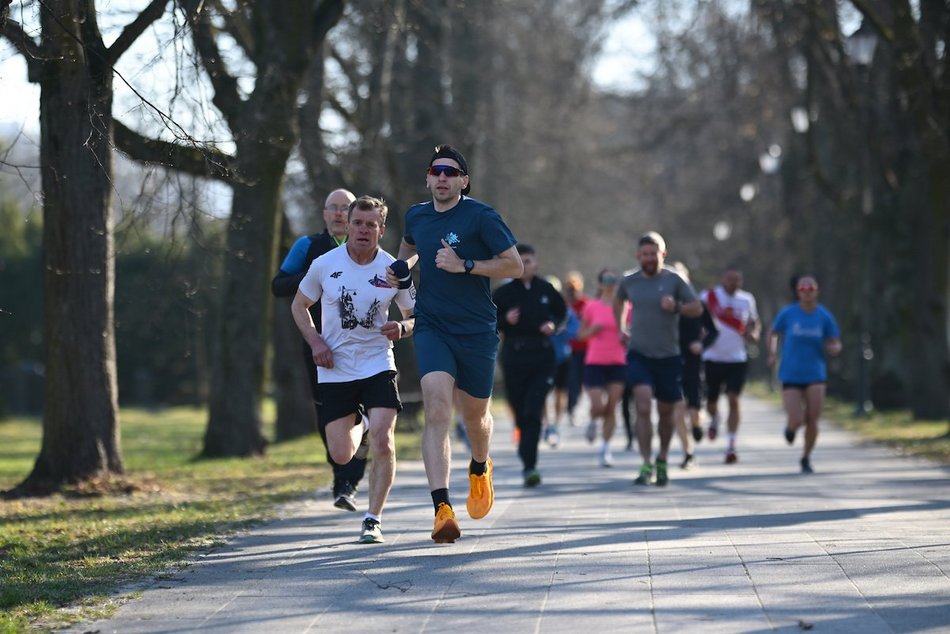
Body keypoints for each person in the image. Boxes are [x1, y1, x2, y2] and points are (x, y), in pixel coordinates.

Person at [388, 144, 523, 543]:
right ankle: (441, 508)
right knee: (436, 405)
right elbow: (410, 247)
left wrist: (466, 265)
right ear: (428, 178)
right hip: (432, 325)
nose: (442, 178)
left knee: (475, 419)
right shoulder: (417, 215)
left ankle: (480, 467)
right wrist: (403, 269)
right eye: (436, 171)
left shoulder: (481, 216)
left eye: (451, 172)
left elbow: (513, 265)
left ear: (464, 180)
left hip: (477, 329)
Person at [290, 196, 416, 544]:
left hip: (378, 362)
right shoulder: (324, 264)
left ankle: (373, 518)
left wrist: (403, 329)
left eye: (370, 224)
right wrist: (316, 342)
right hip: (336, 367)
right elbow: (299, 305)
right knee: (340, 454)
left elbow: (414, 315)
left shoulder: (394, 269)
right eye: (357, 223)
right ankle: (358, 421)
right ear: (347, 224)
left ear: (381, 229)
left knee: (384, 441)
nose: (363, 230)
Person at [272, 188, 368, 512]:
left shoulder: (366, 246)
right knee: (326, 413)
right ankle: (340, 475)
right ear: (324, 213)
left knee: (359, 410)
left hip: (361, 344)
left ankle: (348, 481)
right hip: (319, 344)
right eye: (334, 208)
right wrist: (316, 274)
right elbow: (278, 285)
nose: (340, 214)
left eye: (346, 208)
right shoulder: (308, 247)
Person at [616, 232, 702, 486]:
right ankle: (645, 463)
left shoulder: (675, 279)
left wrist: (676, 307)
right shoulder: (629, 281)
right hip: (639, 353)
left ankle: (662, 459)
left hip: (668, 356)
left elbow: (696, 307)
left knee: (666, 413)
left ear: (663, 254)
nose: (649, 258)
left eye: (654, 254)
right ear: (638, 256)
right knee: (643, 406)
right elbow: (618, 302)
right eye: (645, 254)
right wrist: (620, 326)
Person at [493, 245, 567, 486]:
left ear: (536, 263)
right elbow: (489, 320)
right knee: (521, 412)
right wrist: (506, 320)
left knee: (533, 410)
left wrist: (553, 325)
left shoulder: (546, 289)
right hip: (514, 356)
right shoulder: (504, 293)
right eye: (520, 261)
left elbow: (562, 313)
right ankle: (527, 456)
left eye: (529, 261)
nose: (525, 265)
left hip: (542, 356)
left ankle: (529, 466)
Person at [767, 274, 842, 474]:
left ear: (817, 291)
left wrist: (835, 347)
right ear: (797, 292)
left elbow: (833, 339)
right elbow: (773, 332)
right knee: (797, 419)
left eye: (811, 288)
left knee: (813, 418)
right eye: (803, 289)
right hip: (790, 372)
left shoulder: (824, 315)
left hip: (815, 373)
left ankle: (806, 457)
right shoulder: (788, 313)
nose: (807, 292)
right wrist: (772, 353)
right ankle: (791, 428)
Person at [701, 266, 760, 463]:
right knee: (711, 403)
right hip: (712, 356)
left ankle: (731, 445)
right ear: (723, 279)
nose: (733, 283)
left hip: (737, 358)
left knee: (734, 399)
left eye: (737, 280)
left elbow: (754, 322)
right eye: (730, 279)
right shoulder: (708, 296)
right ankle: (715, 419)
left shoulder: (746, 299)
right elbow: (696, 319)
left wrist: (754, 333)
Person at [579, 268, 628, 468]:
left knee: (611, 408)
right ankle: (592, 420)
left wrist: (628, 335)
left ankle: (605, 449)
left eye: (614, 280)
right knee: (598, 406)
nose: (610, 283)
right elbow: (581, 335)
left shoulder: (627, 307)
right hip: (595, 361)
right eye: (606, 280)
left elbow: (633, 332)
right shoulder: (592, 307)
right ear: (600, 284)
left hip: (618, 361)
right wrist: (593, 330)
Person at [671, 262, 718, 470]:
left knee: (694, 411)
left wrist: (702, 344)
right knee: (677, 409)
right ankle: (688, 453)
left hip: (693, 362)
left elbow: (713, 332)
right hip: (671, 360)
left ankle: (697, 424)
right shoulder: (665, 306)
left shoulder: (699, 306)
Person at [543, 275, 580, 448]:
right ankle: (547, 425)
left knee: (561, 393)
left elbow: (574, 330)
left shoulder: (565, 309)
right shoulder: (539, 308)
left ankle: (556, 425)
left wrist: (559, 330)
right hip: (543, 357)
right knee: (542, 393)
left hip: (563, 357)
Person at [564, 271, 591, 426]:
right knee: (573, 382)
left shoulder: (586, 304)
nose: (572, 291)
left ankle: (585, 407)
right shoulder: (565, 306)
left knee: (586, 381)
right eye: (569, 287)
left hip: (587, 348)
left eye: (574, 287)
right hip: (571, 349)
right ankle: (571, 409)